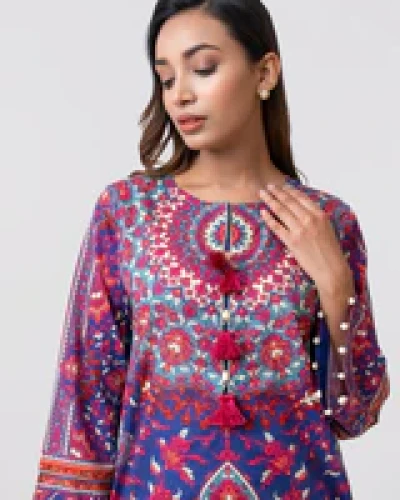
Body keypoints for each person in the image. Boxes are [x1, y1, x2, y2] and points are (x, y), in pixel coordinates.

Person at [32, 1, 390, 498]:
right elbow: (85, 399)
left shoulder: (328, 222)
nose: (180, 94)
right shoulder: (127, 213)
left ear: (264, 73)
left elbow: (357, 413)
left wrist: (335, 285)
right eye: (166, 78)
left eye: (203, 68)